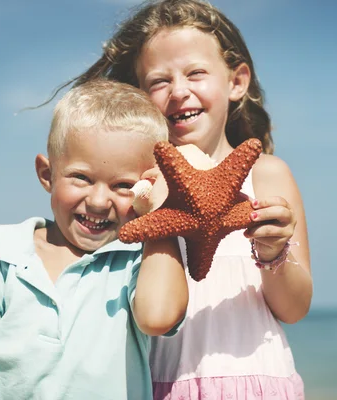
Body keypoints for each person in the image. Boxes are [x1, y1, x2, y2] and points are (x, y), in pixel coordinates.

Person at [58, 1, 313, 398]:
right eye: (159, 81)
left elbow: (294, 309)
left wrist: (274, 251)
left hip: (261, 382)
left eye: (196, 73)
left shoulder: (267, 174)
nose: (179, 91)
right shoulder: (137, 186)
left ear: (236, 81)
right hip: (159, 384)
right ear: (139, 96)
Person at [0, 79, 189, 400]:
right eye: (81, 177)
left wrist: (160, 212)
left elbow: (158, 317)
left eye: (124, 185)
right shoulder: (1, 251)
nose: (98, 201)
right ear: (47, 175)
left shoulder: (139, 260)